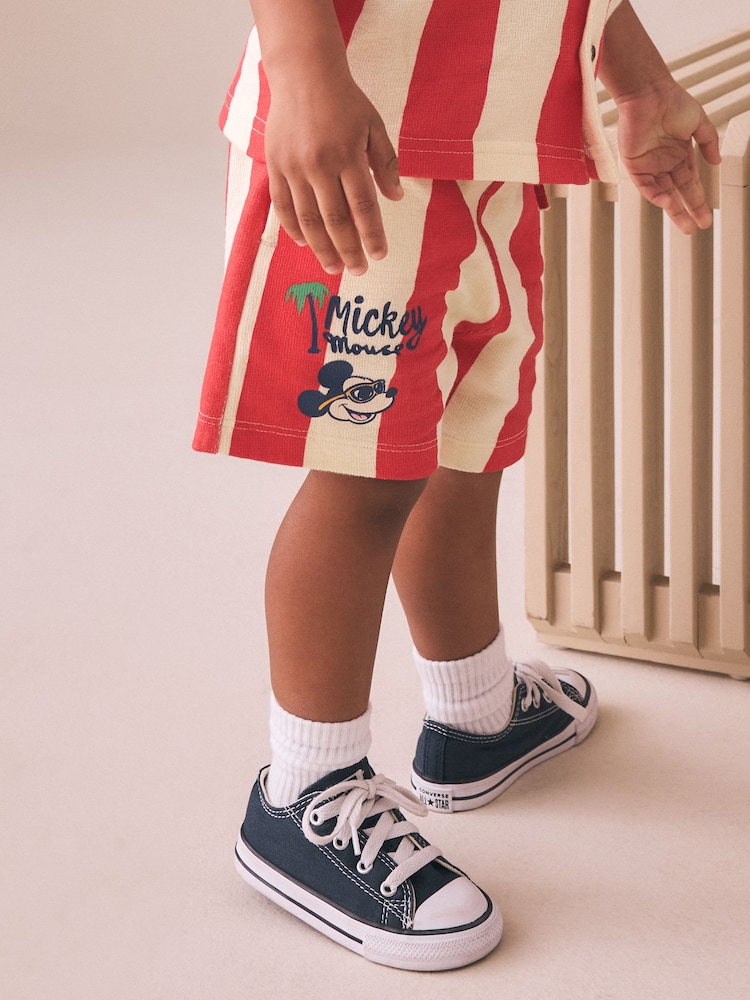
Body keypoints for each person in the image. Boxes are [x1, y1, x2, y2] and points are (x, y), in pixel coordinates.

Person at [193, 0, 720, 972]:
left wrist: (636, 78)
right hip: (363, 142)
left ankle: (475, 710)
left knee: (467, 439)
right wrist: (303, 62)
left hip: (501, 135)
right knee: (364, 475)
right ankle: (305, 792)